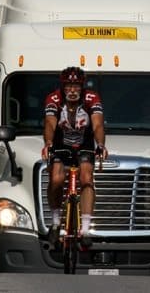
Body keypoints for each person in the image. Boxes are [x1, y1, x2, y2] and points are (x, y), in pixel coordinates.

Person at [42, 67, 108, 247]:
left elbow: (98, 125)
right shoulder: (54, 99)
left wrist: (100, 145)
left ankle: (85, 229)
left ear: (82, 87)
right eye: (68, 86)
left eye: (76, 86)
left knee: (86, 178)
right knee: (56, 179)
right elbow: (49, 124)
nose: (72, 90)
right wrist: (48, 143)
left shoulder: (91, 98)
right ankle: (56, 223)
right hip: (61, 144)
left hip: (84, 145)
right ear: (63, 87)